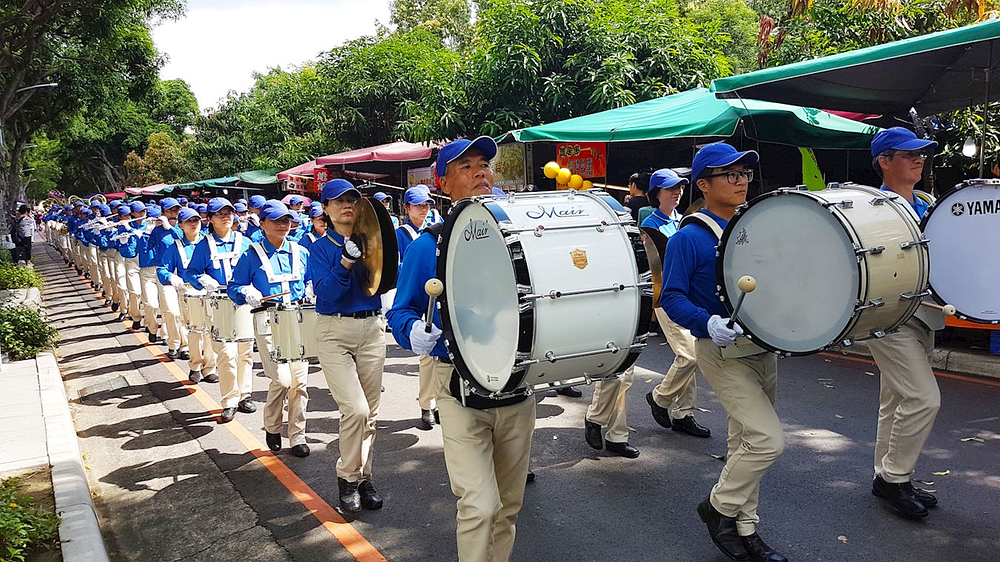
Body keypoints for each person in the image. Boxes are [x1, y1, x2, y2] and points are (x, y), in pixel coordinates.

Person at [388, 136, 535, 562]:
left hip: (518, 388)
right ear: (443, 181)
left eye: (485, 165)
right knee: (479, 505)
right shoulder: (428, 244)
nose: (480, 173)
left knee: (508, 508)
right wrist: (413, 330)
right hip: (458, 389)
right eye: (465, 166)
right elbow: (401, 312)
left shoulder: (522, 234)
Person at [662, 142, 786, 562]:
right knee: (767, 440)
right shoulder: (689, 238)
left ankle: (745, 526)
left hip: (762, 347)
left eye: (744, 174)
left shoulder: (753, 227)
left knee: (744, 442)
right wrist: (707, 322)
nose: (740, 182)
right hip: (721, 352)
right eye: (729, 175)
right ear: (703, 184)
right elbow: (671, 297)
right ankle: (717, 508)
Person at [867, 127, 944, 519]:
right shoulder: (872, 207)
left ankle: (885, 475)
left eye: (921, 154)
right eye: (908, 153)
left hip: (925, 313)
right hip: (887, 315)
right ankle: (896, 478)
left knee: (895, 398)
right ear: (884, 160)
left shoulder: (929, 202)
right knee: (922, 398)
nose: (919, 159)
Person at [309, 179, 387, 513]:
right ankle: (347, 477)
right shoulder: (319, 248)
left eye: (352, 199)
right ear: (325, 209)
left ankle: (364, 477)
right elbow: (325, 294)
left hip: (371, 327)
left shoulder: (372, 242)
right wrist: (344, 262)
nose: (347, 205)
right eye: (338, 201)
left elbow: (386, 276)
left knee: (371, 415)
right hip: (335, 329)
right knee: (355, 410)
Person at [228, 200, 312, 458]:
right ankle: (273, 424)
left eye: (286, 220)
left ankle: (297, 435)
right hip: (267, 319)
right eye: (276, 220)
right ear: (262, 223)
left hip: (297, 318)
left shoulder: (301, 251)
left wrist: (313, 289)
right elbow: (234, 286)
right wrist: (246, 291)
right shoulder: (250, 254)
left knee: (299, 382)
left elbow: (310, 279)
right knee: (282, 378)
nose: (283, 225)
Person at [642, 169, 711, 439]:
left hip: (689, 296)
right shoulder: (649, 226)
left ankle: (684, 413)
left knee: (690, 355)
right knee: (690, 355)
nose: (677, 192)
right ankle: (660, 397)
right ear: (656, 194)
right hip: (667, 298)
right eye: (670, 188)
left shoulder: (684, 220)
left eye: (679, 187)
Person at [185, 198, 255, 423]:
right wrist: (202, 279)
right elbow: (191, 272)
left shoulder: (245, 242)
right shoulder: (204, 245)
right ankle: (229, 400)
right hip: (219, 302)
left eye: (229, 212)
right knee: (226, 353)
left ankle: (245, 394)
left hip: (244, 301)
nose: (226, 217)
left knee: (245, 351)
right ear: (210, 219)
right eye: (220, 213)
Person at [158, 207, 216, 383]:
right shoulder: (174, 246)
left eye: (196, 220)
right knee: (195, 330)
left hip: (210, 291)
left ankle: (210, 367)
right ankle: (195, 365)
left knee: (211, 331)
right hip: (188, 292)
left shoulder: (209, 242)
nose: (194, 224)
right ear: (181, 225)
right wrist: (171, 277)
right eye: (189, 221)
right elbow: (162, 269)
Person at [152, 198, 189, 359]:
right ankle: (174, 343)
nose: (174, 214)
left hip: (183, 274)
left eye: (176, 211)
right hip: (165, 274)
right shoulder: (157, 231)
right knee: (171, 311)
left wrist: (171, 228)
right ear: (163, 213)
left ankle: (186, 346)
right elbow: (148, 251)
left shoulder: (182, 228)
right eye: (170, 211)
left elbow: (185, 240)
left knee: (185, 313)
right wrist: (145, 232)